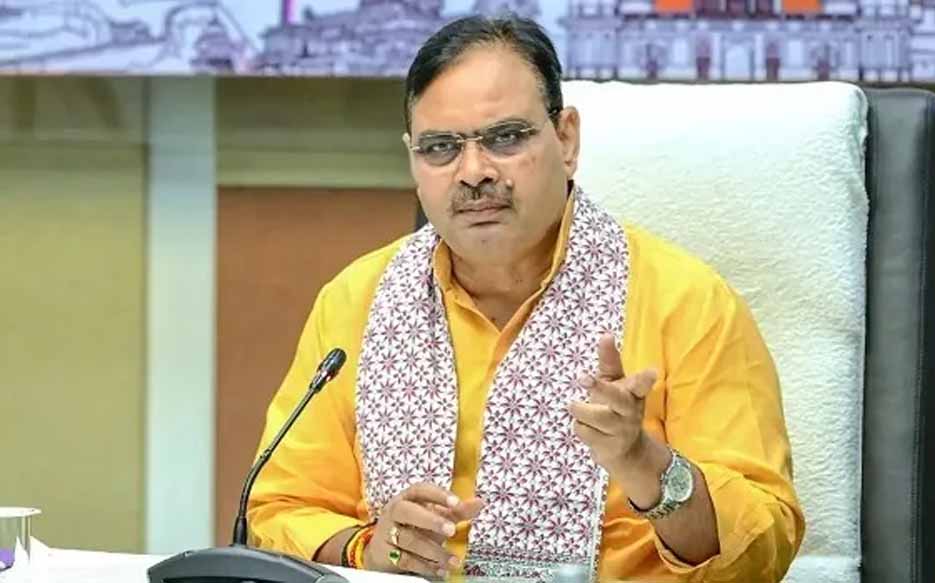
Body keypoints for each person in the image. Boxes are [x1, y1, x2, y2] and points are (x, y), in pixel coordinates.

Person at [248, 15, 804, 583]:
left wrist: (647, 466)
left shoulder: (687, 303)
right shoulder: (356, 302)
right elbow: (277, 510)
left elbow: (765, 546)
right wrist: (364, 551)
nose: (473, 173)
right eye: (440, 148)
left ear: (566, 140)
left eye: (506, 138)